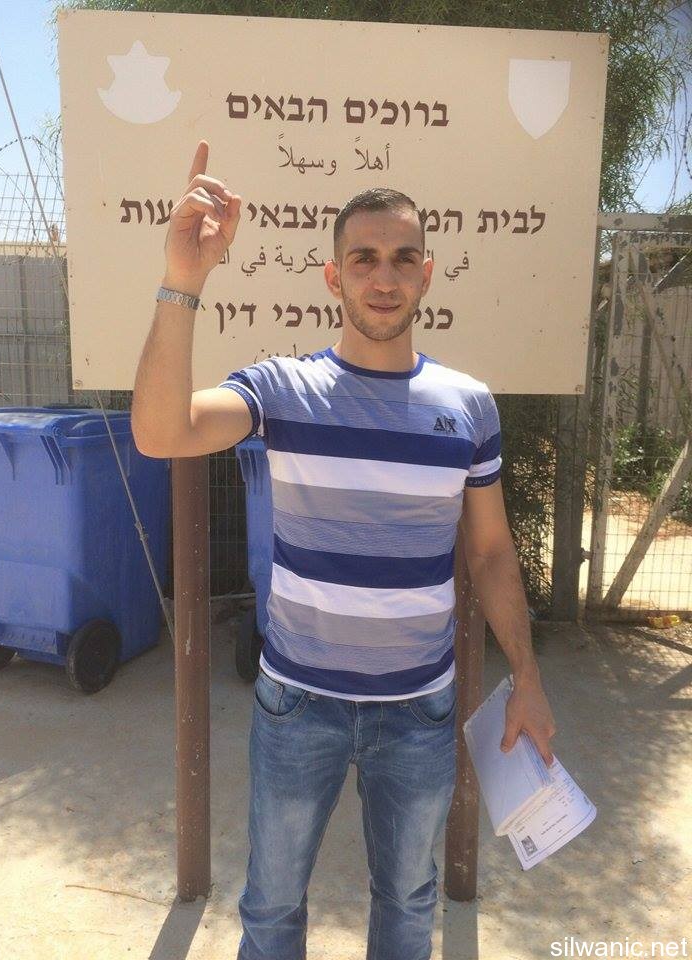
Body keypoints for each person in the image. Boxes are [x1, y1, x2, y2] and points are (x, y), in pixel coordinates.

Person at [131, 140, 557, 960]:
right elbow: (160, 431)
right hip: (297, 706)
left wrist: (529, 680)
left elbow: (493, 554)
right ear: (334, 277)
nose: (383, 276)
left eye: (402, 258)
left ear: (427, 275)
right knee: (270, 911)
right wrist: (183, 278)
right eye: (363, 258)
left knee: (408, 905)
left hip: (419, 711)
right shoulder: (283, 391)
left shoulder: (468, 406)